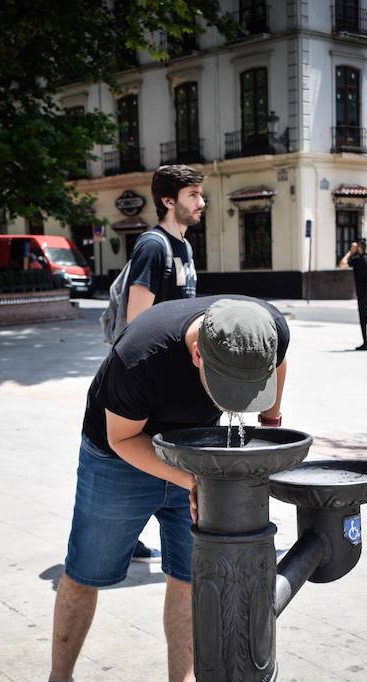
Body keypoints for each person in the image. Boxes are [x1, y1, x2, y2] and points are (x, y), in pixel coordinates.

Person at [23, 295, 289, 682]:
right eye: (222, 383)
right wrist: (191, 482)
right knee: (86, 572)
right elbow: (121, 437)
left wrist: (270, 419)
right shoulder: (139, 356)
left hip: (197, 451)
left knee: (188, 576)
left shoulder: (266, 329)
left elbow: (279, 364)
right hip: (120, 458)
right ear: (196, 353)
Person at [127, 163, 205, 560]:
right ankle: (126, 530)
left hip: (176, 378)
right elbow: (135, 323)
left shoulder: (186, 247)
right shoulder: (153, 246)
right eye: (193, 195)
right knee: (144, 457)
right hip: (153, 383)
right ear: (168, 200)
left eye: (200, 194)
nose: (201, 202)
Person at [340, 238, 367, 351]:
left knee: (363, 315)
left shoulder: (357, 260)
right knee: (364, 315)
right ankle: (366, 343)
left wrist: (350, 251)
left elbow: (342, 264)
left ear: (359, 247)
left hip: (363, 293)